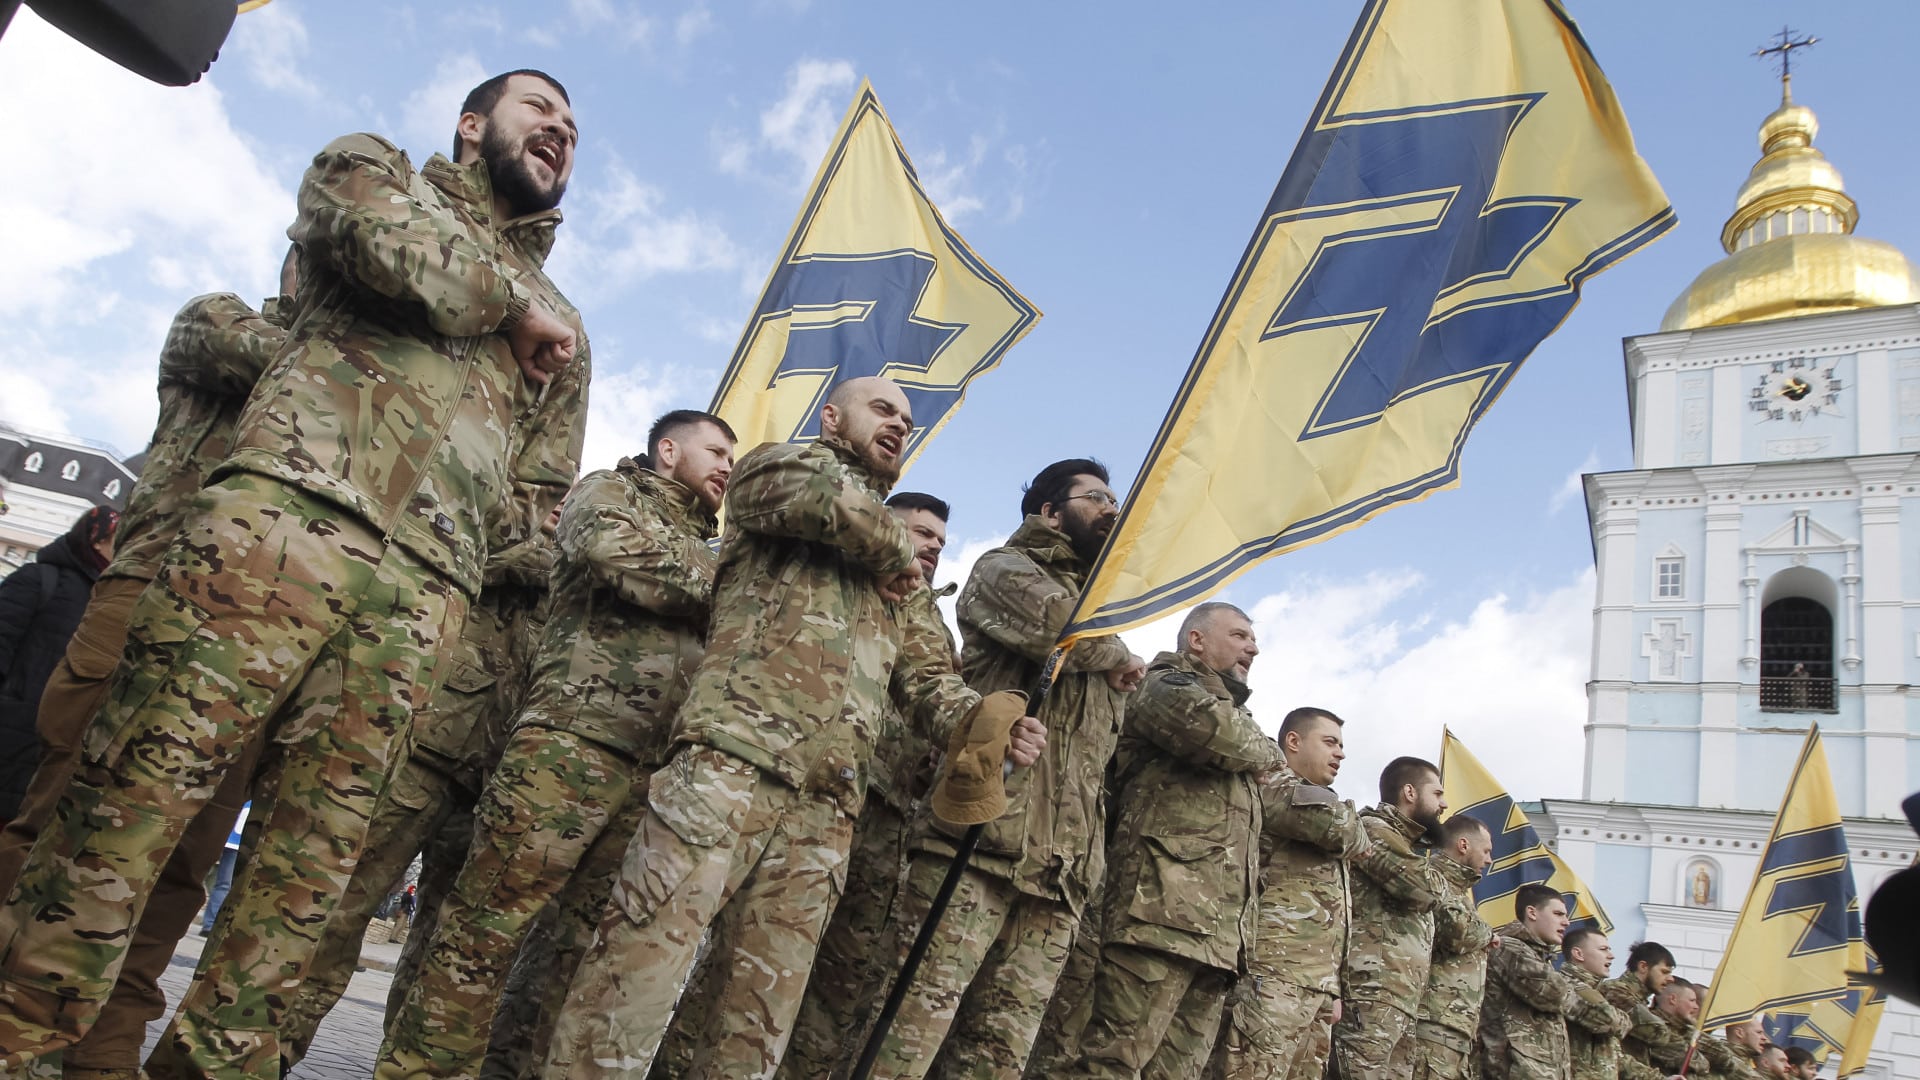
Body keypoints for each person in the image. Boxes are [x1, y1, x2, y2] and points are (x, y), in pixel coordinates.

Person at [0, 66, 587, 1080]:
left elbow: (540, 492)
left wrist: (459, 539)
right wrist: (508, 304)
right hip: (282, 530)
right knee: (126, 811)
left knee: (302, 877)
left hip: (421, 597)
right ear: (471, 123)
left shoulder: (567, 325)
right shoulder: (373, 168)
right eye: (540, 109)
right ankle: (25, 1045)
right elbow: (385, 246)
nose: (561, 130)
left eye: (573, 127)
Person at [541, 376, 1045, 1079]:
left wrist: (986, 724)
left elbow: (929, 682)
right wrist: (892, 547)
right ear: (832, 418)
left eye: (907, 419)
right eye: (882, 409)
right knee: (632, 983)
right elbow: (801, 494)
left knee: (754, 1028)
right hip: (731, 765)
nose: (899, 424)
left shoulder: (905, 585)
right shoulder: (782, 470)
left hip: (826, 810)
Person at [377, 410, 734, 1079]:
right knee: (485, 930)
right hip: (570, 743)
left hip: (648, 771)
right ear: (668, 450)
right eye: (715, 452)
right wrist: (733, 596)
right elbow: (616, 557)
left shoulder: (710, 549)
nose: (726, 468)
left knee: (566, 958)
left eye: (731, 461)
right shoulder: (608, 492)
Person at [0, 278, 289, 1080]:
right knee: (65, 819)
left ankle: (105, 1044)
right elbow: (290, 367)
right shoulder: (220, 319)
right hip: (153, 598)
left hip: (261, 636)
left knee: (184, 858)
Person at [869, 457, 1145, 1080]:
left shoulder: (1110, 612)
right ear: (1051, 513)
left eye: (1114, 500)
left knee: (995, 1058)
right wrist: (1121, 652)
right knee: (903, 1037)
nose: (1111, 509)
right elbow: (1063, 631)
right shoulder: (1004, 568)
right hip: (979, 844)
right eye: (1096, 498)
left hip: (1057, 875)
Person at [280, 506, 566, 1068]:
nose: (560, 501)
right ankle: (276, 1047)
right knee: (346, 903)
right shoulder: (494, 527)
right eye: (554, 490)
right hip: (429, 748)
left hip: (495, 778)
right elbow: (457, 564)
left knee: (441, 944)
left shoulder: (572, 581)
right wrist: (531, 559)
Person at [773, 490, 962, 1080]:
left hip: (888, 819)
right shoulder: (841, 569)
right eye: (922, 532)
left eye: (940, 541)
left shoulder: (932, 619)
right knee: (767, 959)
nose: (933, 546)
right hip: (818, 789)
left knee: (840, 986)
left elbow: (929, 692)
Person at [1062, 602, 1280, 1078]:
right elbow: (1220, 735)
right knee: (1110, 1064)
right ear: (1196, 640)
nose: (1253, 648)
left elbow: (1251, 748)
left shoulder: (1233, 710)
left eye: (1253, 639)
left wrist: (1261, 750)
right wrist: (1265, 751)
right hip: (1158, 915)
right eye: (1239, 635)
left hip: (1218, 936)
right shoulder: (1162, 683)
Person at [1211, 705, 1369, 1080]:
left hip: (1315, 984)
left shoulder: (1310, 794)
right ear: (1293, 742)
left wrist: (1332, 989)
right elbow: (1342, 829)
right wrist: (1353, 825)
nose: (1340, 753)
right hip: (1271, 974)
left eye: (1341, 745)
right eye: (1329, 742)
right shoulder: (1273, 782)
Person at [1332, 756, 1447, 1078]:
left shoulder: (1405, 845)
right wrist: (1438, 878)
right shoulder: (1373, 830)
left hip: (1398, 998)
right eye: (1437, 793)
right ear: (1410, 792)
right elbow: (1424, 890)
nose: (1444, 804)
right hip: (1370, 993)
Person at [0, 505, 118, 820]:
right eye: (120, 540)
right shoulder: (39, 579)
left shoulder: (111, 600)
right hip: (13, 729)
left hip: (54, 746)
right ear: (97, 540)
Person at [1411, 814, 1496, 1080]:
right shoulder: (1435, 878)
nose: (1489, 860)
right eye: (1486, 851)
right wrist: (1489, 933)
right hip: (1432, 1024)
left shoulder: (1460, 891)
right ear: (1463, 845)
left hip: (1453, 1031)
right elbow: (1457, 931)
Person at [1476, 883, 1578, 1080]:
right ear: (1532, 913)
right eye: (1558, 914)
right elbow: (1556, 994)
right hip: (1511, 1071)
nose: (1566, 922)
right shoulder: (1509, 947)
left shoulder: (1539, 956)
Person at [1562, 927, 1665, 1080]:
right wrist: (1622, 1019)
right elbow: (1612, 1021)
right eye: (1603, 949)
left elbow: (1615, 1059)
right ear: (1578, 954)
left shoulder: (1594, 990)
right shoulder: (1568, 985)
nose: (1611, 956)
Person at [1601, 941, 1691, 1070]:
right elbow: (1658, 1033)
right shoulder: (1616, 992)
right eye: (1664, 972)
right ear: (1643, 967)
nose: (1670, 979)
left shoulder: (1638, 998)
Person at [200, 802, 251, 936]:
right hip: (236, 839)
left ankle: (209, 925)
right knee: (223, 884)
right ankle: (210, 925)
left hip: (222, 833)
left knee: (199, 876)